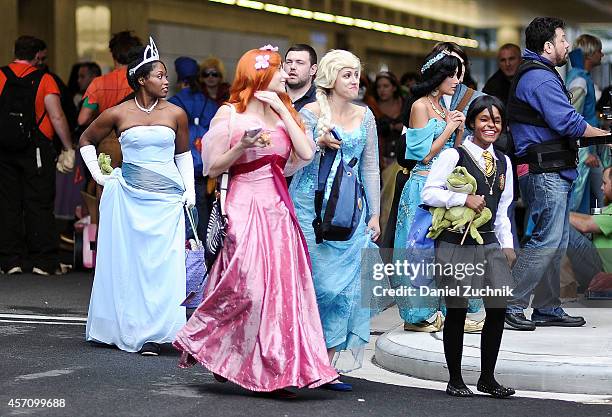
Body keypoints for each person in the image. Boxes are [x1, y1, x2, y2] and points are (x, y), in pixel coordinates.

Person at [173, 46, 338, 397]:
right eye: (279, 70)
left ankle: (276, 369)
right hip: (244, 202)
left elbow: (306, 154)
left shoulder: (284, 113)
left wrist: (281, 107)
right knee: (248, 286)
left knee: (280, 289)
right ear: (261, 75)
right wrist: (242, 146)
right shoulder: (230, 115)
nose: (285, 75)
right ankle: (221, 347)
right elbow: (214, 167)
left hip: (277, 207)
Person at [79, 38, 193, 355]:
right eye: (159, 75)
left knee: (163, 265)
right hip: (128, 197)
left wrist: (190, 194)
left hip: (168, 199)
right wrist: (99, 175)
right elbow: (86, 139)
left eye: (166, 75)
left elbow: (183, 156)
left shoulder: (176, 113)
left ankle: (161, 332)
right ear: (141, 79)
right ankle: (125, 326)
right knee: (131, 263)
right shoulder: (118, 113)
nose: (166, 80)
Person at [504, 17, 610, 331]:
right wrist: (604, 135)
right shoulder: (539, 77)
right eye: (563, 39)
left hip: (551, 170)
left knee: (557, 240)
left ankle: (547, 307)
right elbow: (568, 122)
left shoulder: (543, 73)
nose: (568, 46)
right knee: (546, 239)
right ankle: (511, 303)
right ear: (548, 46)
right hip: (543, 171)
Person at [288, 49, 381, 390]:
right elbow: (288, 164)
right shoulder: (309, 113)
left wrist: (375, 214)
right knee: (313, 286)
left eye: (356, 74)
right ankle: (302, 360)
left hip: (349, 209)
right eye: (347, 74)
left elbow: (370, 166)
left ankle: (326, 365)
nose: (355, 80)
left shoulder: (365, 115)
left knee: (344, 290)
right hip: (309, 207)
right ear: (329, 78)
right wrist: (315, 142)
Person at [422, 95, 515, 398]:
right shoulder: (454, 156)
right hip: (455, 242)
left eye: (497, 121)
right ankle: (455, 379)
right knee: (458, 309)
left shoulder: (504, 161)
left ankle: (487, 378)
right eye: (485, 120)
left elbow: (503, 209)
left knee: (498, 308)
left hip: (489, 242)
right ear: (474, 122)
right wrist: (462, 198)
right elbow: (429, 192)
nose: (491, 126)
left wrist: (508, 244)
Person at [392, 50, 465, 331]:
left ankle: (439, 308)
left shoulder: (443, 108)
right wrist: (449, 128)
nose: (457, 80)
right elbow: (422, 155)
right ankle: (417, 314)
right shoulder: (420, 106)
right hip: (422, 185)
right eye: (452, 74)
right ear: (439, 76)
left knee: (439, 251)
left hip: (442, 186)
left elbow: (450, 152)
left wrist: (456, 130)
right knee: (417, 250)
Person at [0, 35, 74, 276]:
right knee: (39, 203)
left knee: (7, 204)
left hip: (4, 149)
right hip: (37, 150)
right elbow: (56, 116)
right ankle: (43, 261)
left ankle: (10, 261)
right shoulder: (45, 79)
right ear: (36, 56)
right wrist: (67, 147)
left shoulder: (0, 75)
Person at [168, 56, 218, 241]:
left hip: (179, 163)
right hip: (202, 164)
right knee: (202, 206)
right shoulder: (209, 103)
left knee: (179, 206)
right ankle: (202, 252)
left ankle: (182, 248)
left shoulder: (172, 103)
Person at [566, 34, 608, 213]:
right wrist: (585, 153)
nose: (602, 55)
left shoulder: (579, 76)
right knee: (575, 205)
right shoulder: (580, 79)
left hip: (585, 148)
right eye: (599, 50)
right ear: (589, 54)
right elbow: (572, 118)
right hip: (583, 152)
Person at [567, 166, 612, 290]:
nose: (601, 188)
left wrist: (558, 212)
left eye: (605, 183)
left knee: (563, 228)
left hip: (603, 275)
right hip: (599, 266)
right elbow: (587, 219)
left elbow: (585, 224)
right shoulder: (609, 208)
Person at [373, 71, 406, 236]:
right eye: (379, 87)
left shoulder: (404, 104)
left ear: (394, 87)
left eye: (386, 86)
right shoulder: (371, 106)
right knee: (378, 202)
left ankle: (390, 239)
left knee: (394, 203)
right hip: (380, 160)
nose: (382, 90)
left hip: (399, 161)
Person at [284, 44, 318, 111]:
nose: (292, 67)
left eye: (300, 63)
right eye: (289, 62)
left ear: (313, 70)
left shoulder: (320, 99)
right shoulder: (274, 94)